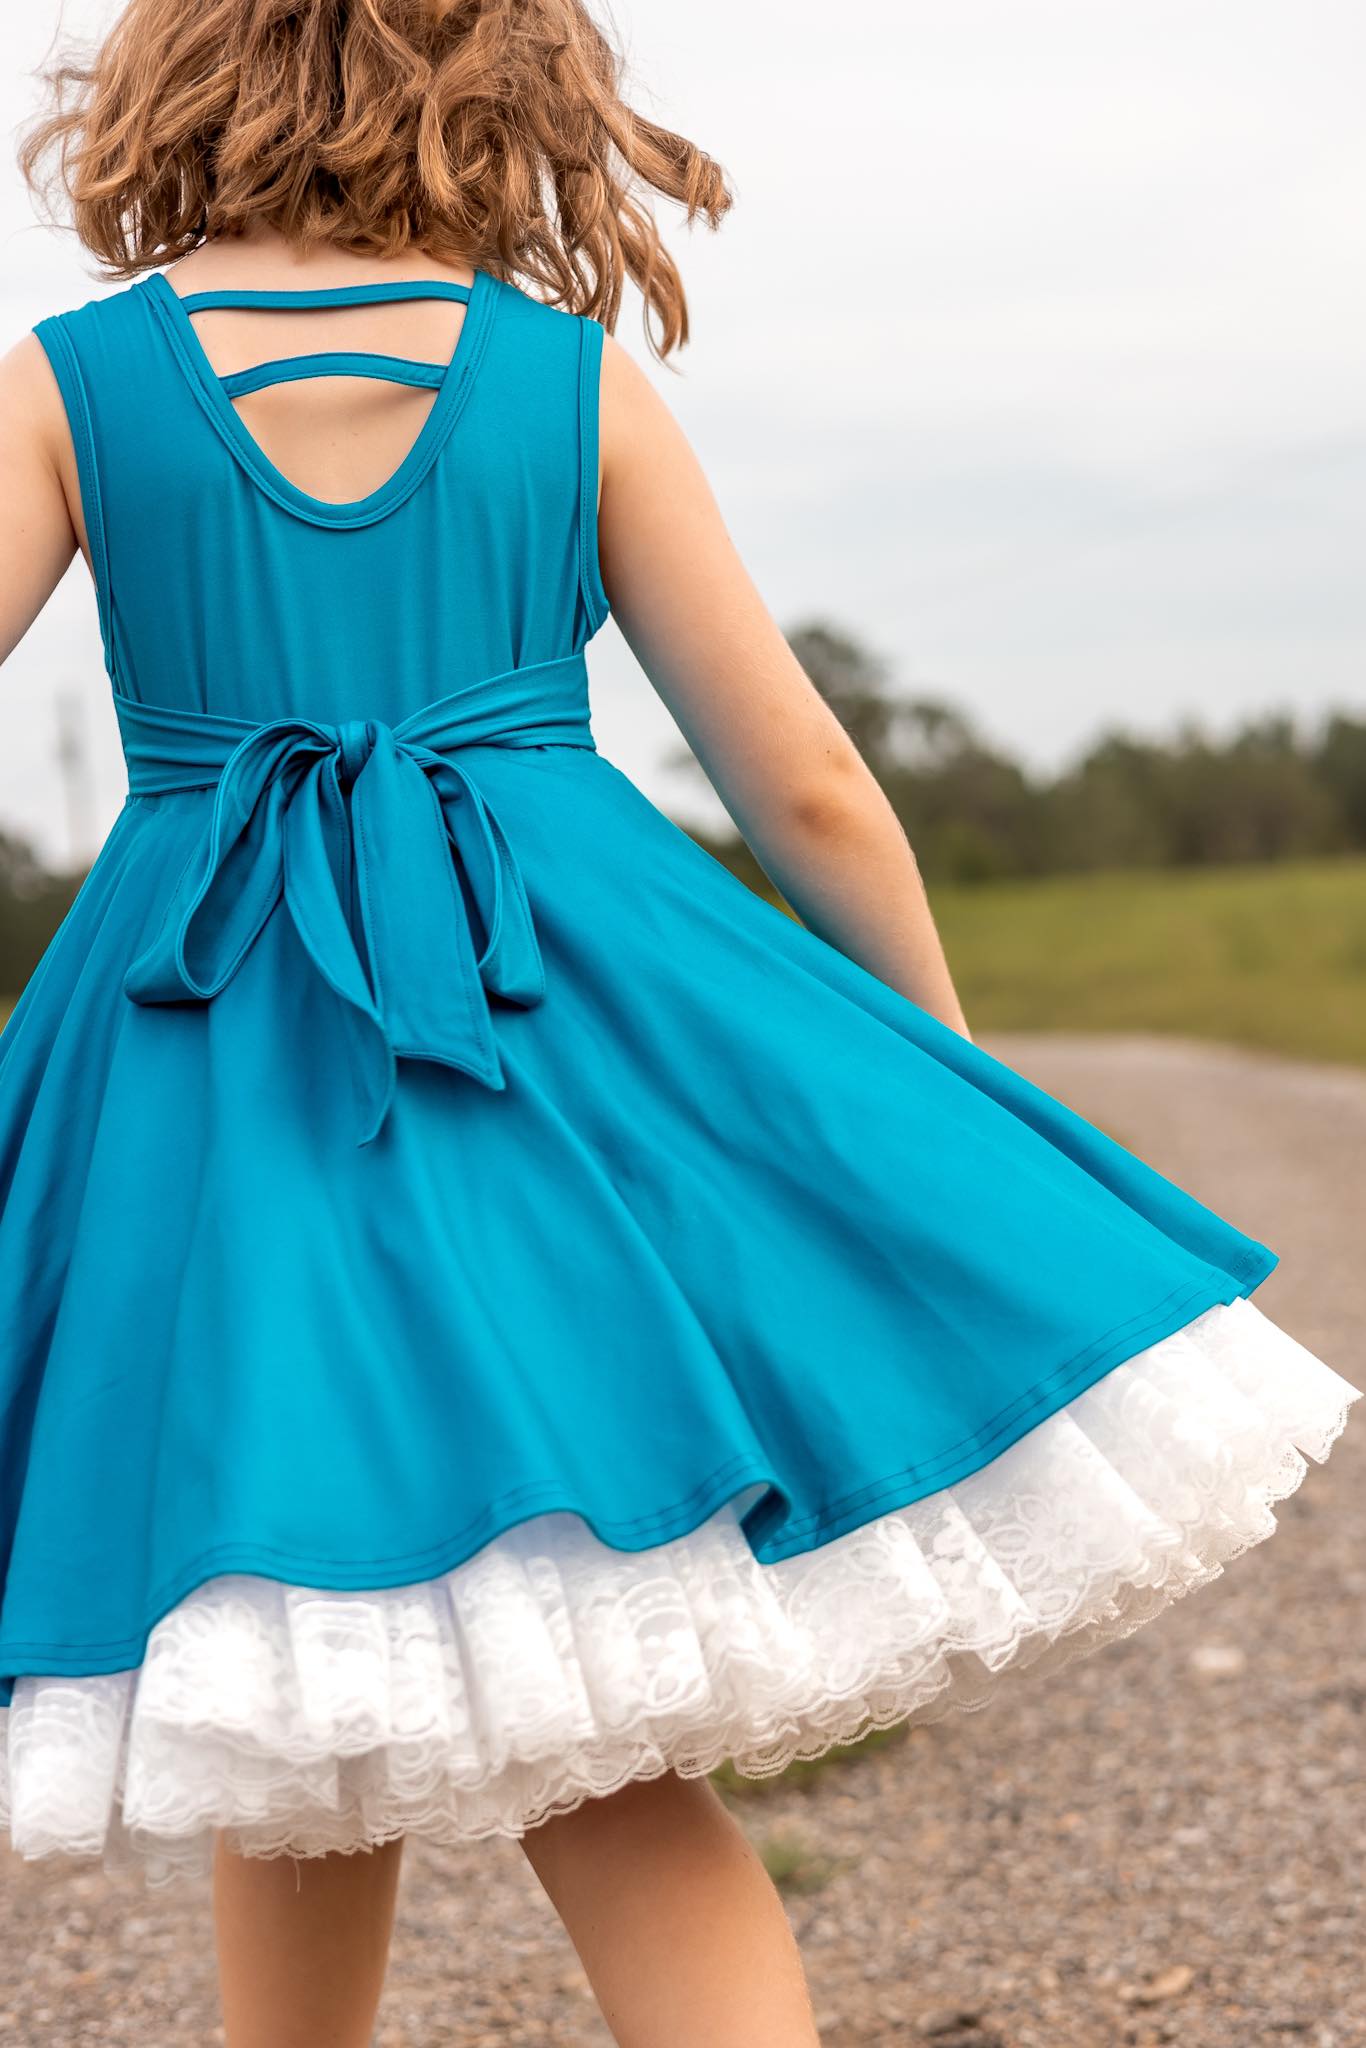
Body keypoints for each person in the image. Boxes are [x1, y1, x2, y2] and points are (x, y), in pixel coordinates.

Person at [0, 3, 1358, 2044]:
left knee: (261, 1613)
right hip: (541, 1043)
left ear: (181, 77)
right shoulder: (565, 384)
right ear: (509, 92)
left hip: (205, 1066)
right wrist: (935, 1080)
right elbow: (801, 779)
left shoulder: (66, 388)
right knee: (597, 1702)